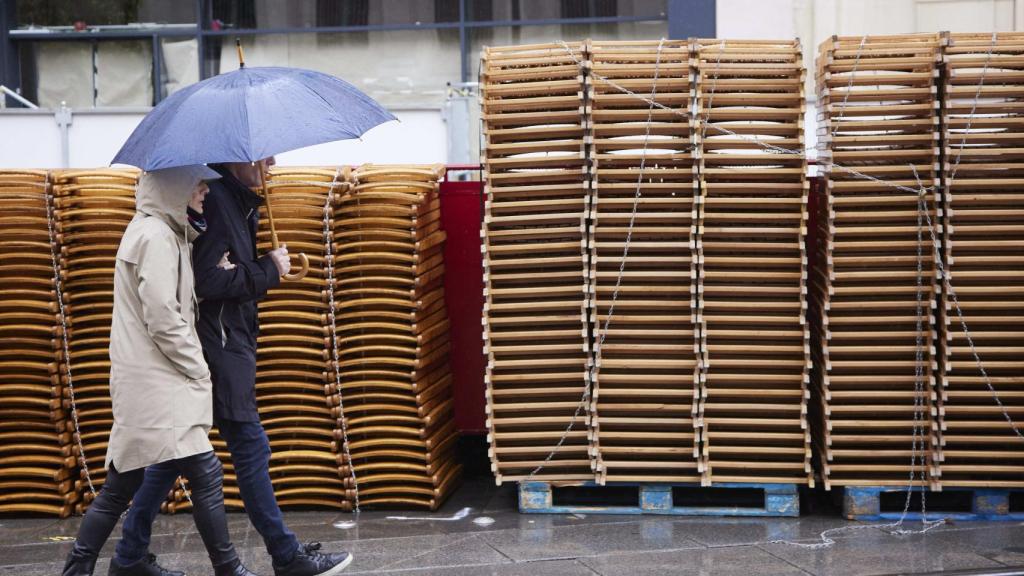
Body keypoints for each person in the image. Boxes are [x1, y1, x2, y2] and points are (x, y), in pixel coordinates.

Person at [112, 158, 353, 576]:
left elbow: (224, 273)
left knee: (173, 456)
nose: (272, 162)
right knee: (250, 447)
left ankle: (129, 555)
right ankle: (286, 555)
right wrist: (267, 269)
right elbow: (206, 282)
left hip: (230, 342)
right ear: (235, 158)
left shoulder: (239, 202)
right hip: (219, 347)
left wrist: (257, 265)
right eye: (262, 154)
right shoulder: (219, 202)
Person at [62, 166, 258, 576]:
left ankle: (89, 567)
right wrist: (198, 367)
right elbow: (163, 317)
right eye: (197, 183)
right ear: (174, 187)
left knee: (121, 486)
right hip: (159, 381)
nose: (205, 189)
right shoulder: (156, 238)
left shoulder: (165, 234)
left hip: (152, 381)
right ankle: (229, 568)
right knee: (201, 475)